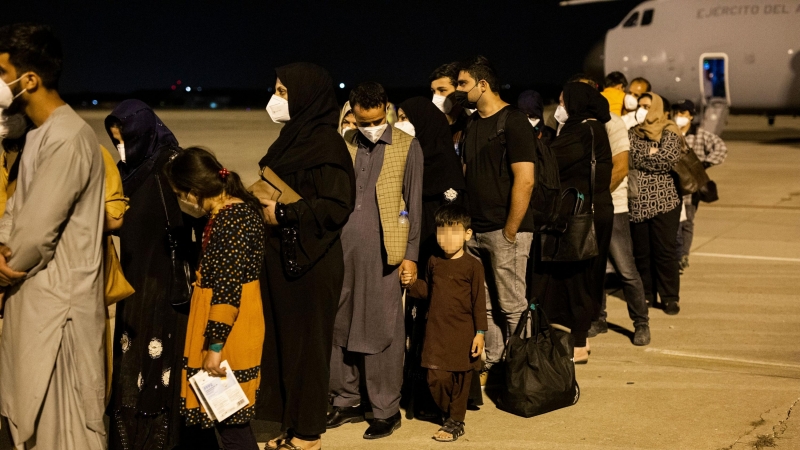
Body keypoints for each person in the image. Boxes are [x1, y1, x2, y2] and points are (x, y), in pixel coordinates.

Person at [0, 23, 107, 449]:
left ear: (29, 80)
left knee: (65, 429)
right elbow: (14, 212)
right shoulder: (40, 135)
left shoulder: (67, 137)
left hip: (59, 308)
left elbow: (34, 234)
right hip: (36, 301)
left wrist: (5, 263)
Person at [255, 63, 355, 450]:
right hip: (281, 258)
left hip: (314, 261)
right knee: (283, 345)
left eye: (283, 92)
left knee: (310, 348)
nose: (277, 99)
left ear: (305, 95)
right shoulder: (288, 139)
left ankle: (308, 433)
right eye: (277, 90)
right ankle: (287, 422)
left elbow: (337, 206)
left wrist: (283, 213)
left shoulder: (326, 144)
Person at [104, 100, 215, 450]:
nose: (121, 146)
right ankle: (131, 434)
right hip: (134, 277)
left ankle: (162, 437)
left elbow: (208, 210)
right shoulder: (131, 171)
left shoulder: (173, 164)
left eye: (125, 138)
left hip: (168, 281)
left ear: (144, 134)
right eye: (115, 140)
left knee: (161, 360)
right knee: (131, 354)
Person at [328, 81, 423, 440]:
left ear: (386, 108)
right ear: (351, 113)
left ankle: (385, 409)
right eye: (364, 122)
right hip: (341, 253)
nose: (370, 128)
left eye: (377, 120)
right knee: (341, 324)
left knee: (381, 328)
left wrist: (410, 256)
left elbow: (414, 205)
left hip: (386, 256)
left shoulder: (407, 146)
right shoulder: (345, 144)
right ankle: (346, 401)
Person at [164, 148, 265, 450]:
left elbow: (227, 289)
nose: (182, 200)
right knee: (217, 417)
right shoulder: (235, 209)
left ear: (194, 190)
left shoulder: (230, 222)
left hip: (228, 332)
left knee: (230, 418)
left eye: (181, 193)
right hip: (231, 324)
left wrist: (215, 348)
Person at [455, 56, 536, 383]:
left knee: (513, 306)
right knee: (485, 305)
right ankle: (495, 366)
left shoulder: (513, 121)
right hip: (476, 231)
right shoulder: (473, 123)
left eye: (463, 84)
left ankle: (525, 370)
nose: (460, 90)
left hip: (505, 232)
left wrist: (510, 231)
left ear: (482, 84)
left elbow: (525, 179)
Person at [395, 97, 469, 415]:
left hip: (438, 259)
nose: (400, 123)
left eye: (405, 117)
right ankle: (417, 393)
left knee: (439, 325)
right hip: (415, 255)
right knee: (416, 323)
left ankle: (445, 398)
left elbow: (452, 219)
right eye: (397, 116)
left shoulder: (444, 165)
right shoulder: (407, 159)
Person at [534, 82, 614, 363]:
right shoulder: (593, 129)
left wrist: (536, 141)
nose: (560, 108)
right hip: (595, 211)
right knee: (584, 277)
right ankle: (579, 338)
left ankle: (579, 343)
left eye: (563, 102)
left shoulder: (581, 131)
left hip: (580, 216)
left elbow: (548, 161)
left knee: (576, 279)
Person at [569, 77, 651, 345]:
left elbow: (620, 168)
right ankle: (598, 317)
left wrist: (596, 197)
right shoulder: (574, 124)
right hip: (586, 207)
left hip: (612, 207)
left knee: (626, 268)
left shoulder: (612, 123)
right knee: (595, 268)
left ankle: (641, 323)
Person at [403, 204, 486, 443]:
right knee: (435, 377)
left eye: (454, 231)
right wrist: (410, 283)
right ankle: (448, 412)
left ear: (467, 234)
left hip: (463, 333)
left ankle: (456, 420)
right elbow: (428, 290)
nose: (446, 238)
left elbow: (479, 302)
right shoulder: (433, 261)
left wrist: (480, 333)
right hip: (436, 332)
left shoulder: (473, 266)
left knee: (461, 379)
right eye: (441, 231)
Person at [629, 93, 683, 315]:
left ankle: (670, 296)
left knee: (665, 251)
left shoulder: (670, 129)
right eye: (640, 106)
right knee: (642, 253)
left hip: (665, 201)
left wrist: (644, 156)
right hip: (638, 201)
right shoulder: (632, 131)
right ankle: (647, 294)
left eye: (647, 106)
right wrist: (650, 153)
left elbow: (667, 159)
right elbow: (628, 156)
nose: (642, 110)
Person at [672, 99, 727, 271]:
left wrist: (705, 163)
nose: (678, 116)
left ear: (691, 116)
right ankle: (675, 254)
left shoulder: (701, 135)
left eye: (683, 113)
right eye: (676, 112)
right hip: (672, 186)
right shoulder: (669, 133)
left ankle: (683, 255)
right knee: (673, 224)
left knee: (687, 222)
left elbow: (721, 148)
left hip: (691, 189)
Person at [429, 62, 469, 153]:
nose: (436, 97)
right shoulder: (434, 128)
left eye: (442, 90)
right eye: (433, 91)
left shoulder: (471, 125)